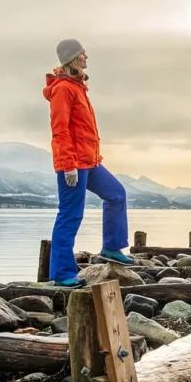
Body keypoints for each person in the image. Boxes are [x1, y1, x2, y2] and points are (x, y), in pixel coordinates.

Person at [44, 39, 134, 287]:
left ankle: (112, 247)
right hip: (72, 163)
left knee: (116, 194)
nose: (86, 56)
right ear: (71, 58)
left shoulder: (78, 87)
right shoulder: (63, 89)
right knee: (70, 215)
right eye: (82, 53)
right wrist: (68, 164)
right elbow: (60, 129)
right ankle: (62, 274)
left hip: (90, 161)